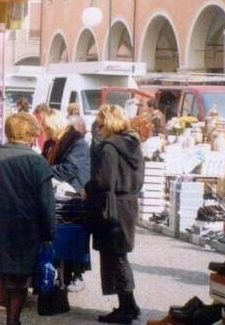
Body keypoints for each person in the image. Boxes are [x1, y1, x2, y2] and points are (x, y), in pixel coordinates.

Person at [0, 112, 56, 325]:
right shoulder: (37, 162)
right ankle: (13, 320)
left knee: (5, 278)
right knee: (19, 281)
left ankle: (12, 319)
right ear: (31, 134)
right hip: (26, 229)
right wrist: (49, 231)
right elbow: (46, 202)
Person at [85, 105, 144, 324]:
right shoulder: (133, 145)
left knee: (116, 257)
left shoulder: (109, 147)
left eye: (100, 125)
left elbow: (103, 181)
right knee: (119, 255)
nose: (98, 129)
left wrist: (87, 188)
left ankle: (127, 308)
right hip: (128, 204)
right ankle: (129, 305)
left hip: (112, 207)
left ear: (107, 124)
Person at [42, 112, 91, 293]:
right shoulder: (50, 143)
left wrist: (42, 170)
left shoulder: (77, 143)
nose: (45, 132)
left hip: (74, 196)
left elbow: (70, 169)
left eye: (47, 128)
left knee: (76, 236)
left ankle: (76, 273)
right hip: (56, 195)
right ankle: (58, 272)